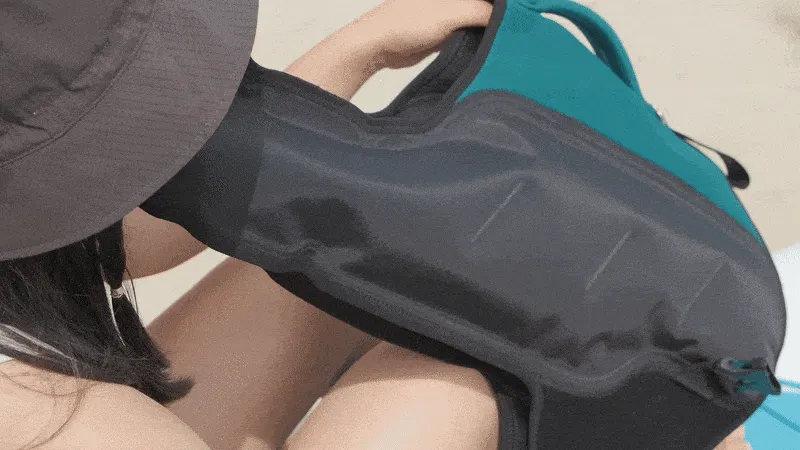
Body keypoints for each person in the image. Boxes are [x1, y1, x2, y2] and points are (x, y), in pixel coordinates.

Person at [0, 0, 752, 448]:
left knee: (361, 261)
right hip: (82, 426)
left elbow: (123, 231)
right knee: (454, 388)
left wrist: (355, 50)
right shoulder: (42, 416)